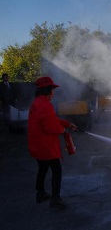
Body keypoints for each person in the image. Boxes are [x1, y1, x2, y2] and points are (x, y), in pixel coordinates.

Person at [27, 76, 77, 209]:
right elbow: (51, 127)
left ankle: (40, 193)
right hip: (46, 146)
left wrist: (67, 123)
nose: (54, 92)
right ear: (47, 90)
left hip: (37, 145)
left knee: (42, 168)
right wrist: (63, 129)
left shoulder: (38, 102)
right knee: (57, 171)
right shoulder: (45, 105)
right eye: (53, 89)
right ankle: (55, 199)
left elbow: (52, 120)